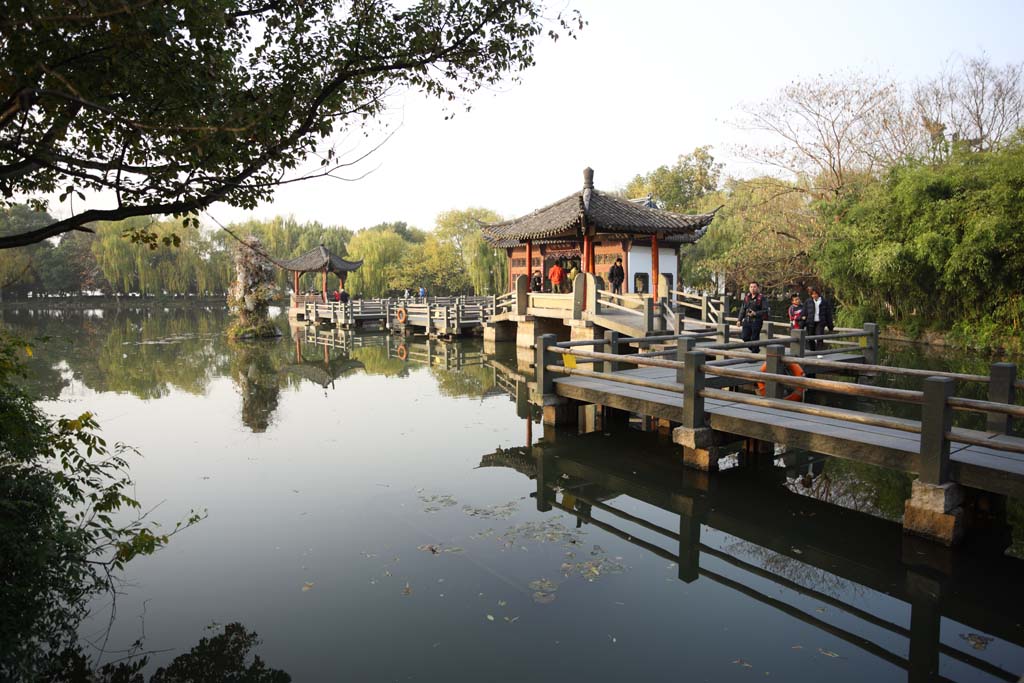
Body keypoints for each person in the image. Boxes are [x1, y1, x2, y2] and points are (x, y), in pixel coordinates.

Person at [738, 281, 769, 353]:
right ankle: (755, 350)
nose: (753, 288)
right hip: (747, 320)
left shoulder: (761, 298)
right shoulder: (747, 297)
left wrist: (755, 313)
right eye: (751, 287)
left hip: (757, 321)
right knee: (744, 336)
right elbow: (743, 309)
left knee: (754, 338)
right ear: (749, 288)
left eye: (754, 287)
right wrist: (739, 319)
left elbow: (765, 310)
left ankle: (754, 355)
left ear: (758, 288)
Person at [802, 286, 834, 351]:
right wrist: (803, 319)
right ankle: (812, 351)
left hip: (820, 322)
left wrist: (830, 325)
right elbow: (804, 311)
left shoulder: (824, 302)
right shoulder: (808, 301)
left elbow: (828, 314)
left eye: (815, 294)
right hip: (810, 322)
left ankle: (819, 352)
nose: (814, 295)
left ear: (818, 294)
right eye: (813, 294)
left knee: (819, 337)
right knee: (810, 338)